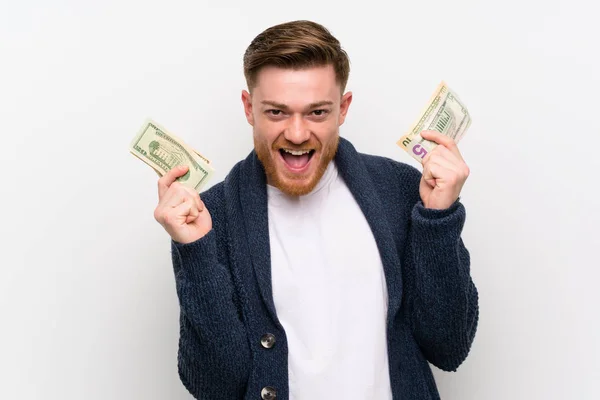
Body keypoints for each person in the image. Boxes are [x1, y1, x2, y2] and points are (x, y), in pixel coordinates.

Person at [153, 19, 479, 400]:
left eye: (317, 113)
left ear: (343, 108)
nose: (296, 133)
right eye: (276, 112)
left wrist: (438, 220)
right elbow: (215, 385)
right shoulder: (212, 217)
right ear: (248, 108)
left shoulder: (401, 190)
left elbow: (450, 346)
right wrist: (196, 252)